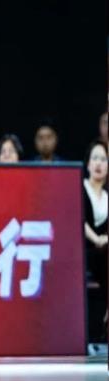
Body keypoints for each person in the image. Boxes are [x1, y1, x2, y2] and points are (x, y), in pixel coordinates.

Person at [83, 141, 108, 343]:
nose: (99, 163)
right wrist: (96, 239)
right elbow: (78, 220)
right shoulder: (80, 188)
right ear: (88, 164)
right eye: (95, 158)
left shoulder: (107, 196)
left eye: (103, 159)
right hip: (85, 250)